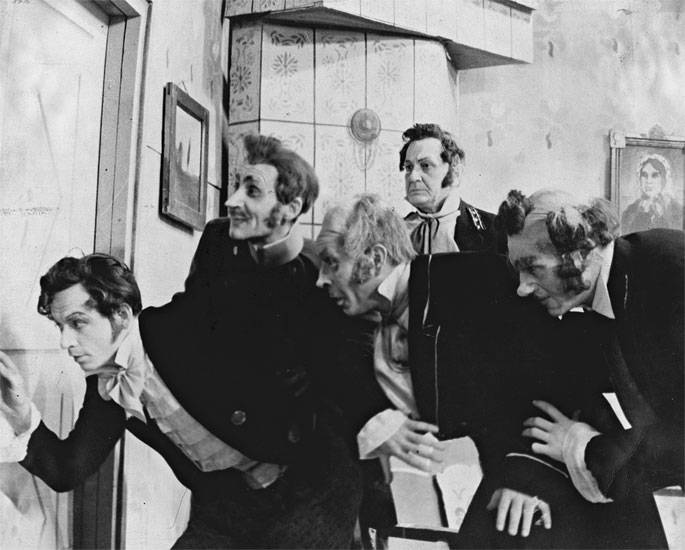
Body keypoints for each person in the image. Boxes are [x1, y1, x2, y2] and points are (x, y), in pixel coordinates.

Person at [1, 134, 365, 549]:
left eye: (78, 323)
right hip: (230, 505)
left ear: (121, 315)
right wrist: (20, 413)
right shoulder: (107, 385)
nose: (66, 342)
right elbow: (66, 469)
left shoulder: (185, 322)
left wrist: (265, 234)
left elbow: (271, 289)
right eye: (60, 327)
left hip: (308, 480)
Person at [316, 193, 670, 549]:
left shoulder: (477, 279)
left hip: (539, 491)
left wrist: (526, 476)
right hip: (422, 502)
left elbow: (562, 379)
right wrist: (373, 419)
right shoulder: (346, 315)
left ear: (375, 259)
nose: (321, 279)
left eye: (331, 263)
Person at [495, 187, 683, 547]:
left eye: (532, 268)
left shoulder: (672, 274)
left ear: (580, 252)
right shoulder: (590, 294)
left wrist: (584, 448)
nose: (522, 287)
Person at [400, 123, 502, 254]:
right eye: (409, 167)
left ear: (456, 173)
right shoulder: (394, 232)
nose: (413, 177)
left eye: (426, 165)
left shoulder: (494, 230)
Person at [621, 154, 683, 233]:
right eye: (644, 175)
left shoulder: (677, 210)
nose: (648, 181)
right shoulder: (630, 211)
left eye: (655, 175)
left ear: (664, 179)